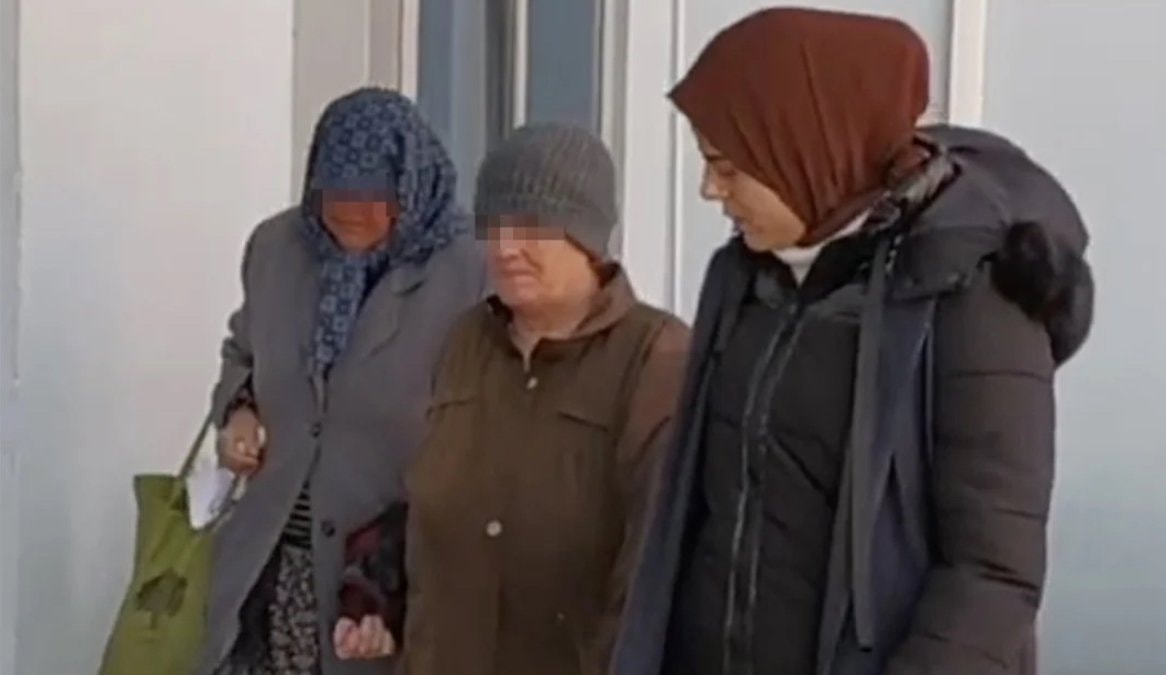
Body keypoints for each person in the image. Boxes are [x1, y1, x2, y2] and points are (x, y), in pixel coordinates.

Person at [611, 8, 1094, 675]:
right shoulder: (744, 278)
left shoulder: (970, 296)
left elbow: (992, 575)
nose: (709, 190)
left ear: (804, 151)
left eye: (727, 167)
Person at [337, 123, 690, 674]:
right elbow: (430, 500)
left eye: (531, 228)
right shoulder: (465, 340)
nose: (506, 249)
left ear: (587, 238)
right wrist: (379, 596)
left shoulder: (655, 356)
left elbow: (653, 562)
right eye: (494, 226)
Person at [196, 87, 487, 675]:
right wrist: (240, 411)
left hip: (380, 586)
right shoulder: (277, 249)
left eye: (372, 194)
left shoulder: (470, 275)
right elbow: (243, 351)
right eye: (335, 191)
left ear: (410, 185)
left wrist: (391, 573)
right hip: (264, 572)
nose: (350, 209)